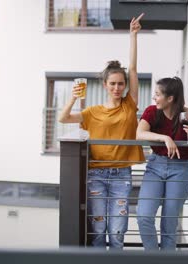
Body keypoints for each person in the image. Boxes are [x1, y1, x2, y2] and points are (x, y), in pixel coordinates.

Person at [58, 13, 145, 249]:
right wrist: (73, 97)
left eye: (121, 83)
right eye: (113, 84)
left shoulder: (129, 104)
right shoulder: (92, 112)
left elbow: (134, 70)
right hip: (96, 175)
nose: (117, 87)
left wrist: (133, 35)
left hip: (121, 176)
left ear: (124, 85)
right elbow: (63, 118)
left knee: (117, 232)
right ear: (105, 85)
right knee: (98, 231)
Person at [136, 77, 188, 250]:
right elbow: (140, 133)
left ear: (170, 98)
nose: (154, 98)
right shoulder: (152, 111)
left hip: (180, 169)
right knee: (143, 215)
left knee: (169, 223)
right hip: (155, 167)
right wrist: (165, 138)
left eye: (157, 94)